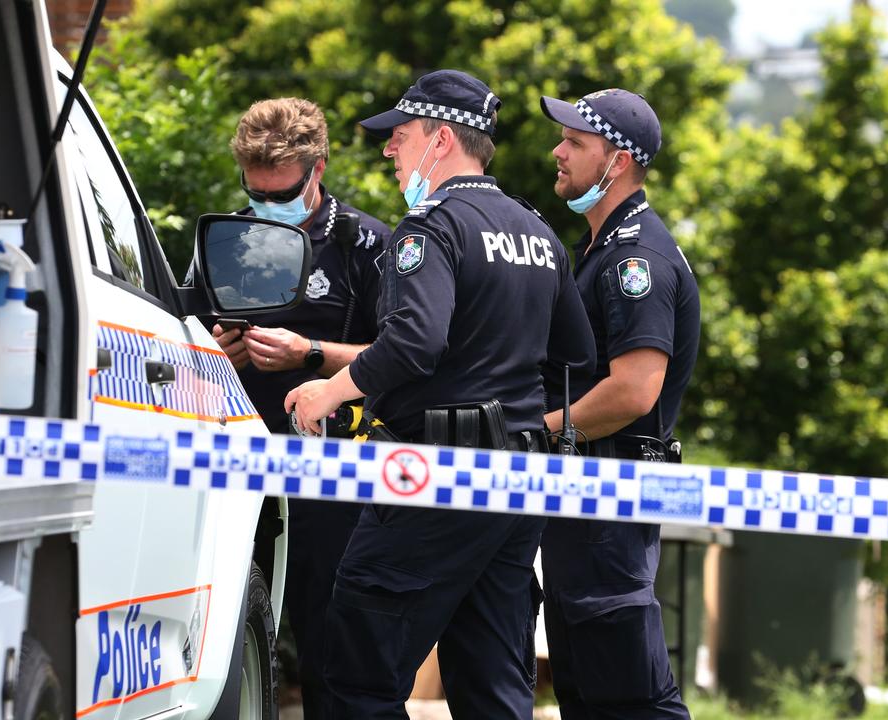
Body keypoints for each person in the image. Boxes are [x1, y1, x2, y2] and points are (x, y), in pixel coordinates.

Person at [285, 69, 595, 719]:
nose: (389, 151)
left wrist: (327, 392)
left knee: (356, 680)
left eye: (400, 136)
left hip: (435, 478)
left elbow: (413, 344)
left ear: (440, 139)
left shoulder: (432, 226)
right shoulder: (538, 234)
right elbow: (577, 353)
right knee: (492, 687)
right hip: (518, 480)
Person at [195, 97, 391, 719]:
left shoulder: (368, 243)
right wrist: (215, 347)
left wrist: (310, 355)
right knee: (236, 642)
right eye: (255, 193)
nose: (266, 207)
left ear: (319, 169)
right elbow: (183, 339)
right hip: (240, 470)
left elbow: (400, 356)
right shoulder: (223, 242)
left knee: (334, 653)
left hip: (334, 478)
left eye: (281, 194)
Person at [536, 88, 699, 719]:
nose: (559, 152)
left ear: (619, 161)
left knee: (631, 698)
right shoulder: (604, 248)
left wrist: (535, 431)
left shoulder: (636, 258)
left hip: (610, 497)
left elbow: (634, 390)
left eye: (576, 143)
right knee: (587, 694)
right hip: (587, 499)